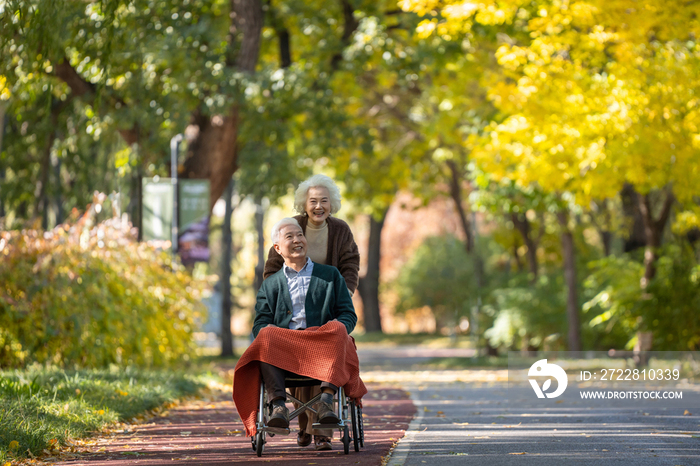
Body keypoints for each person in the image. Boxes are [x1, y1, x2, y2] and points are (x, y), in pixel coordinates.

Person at [262, 174, 360, 449]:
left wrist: (344, 291)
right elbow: (272, 266)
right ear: (304, 205)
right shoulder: (292, 228)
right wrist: (277, 295)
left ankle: (318, 432)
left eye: (324, 201)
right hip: (293, 305)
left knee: (322, 352)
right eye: (313, 201)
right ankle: (309, 427)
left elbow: (350, 262)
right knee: (302, 362)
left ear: (332, 204)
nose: (319, 206)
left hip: (327, 301)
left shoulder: (340, 230)